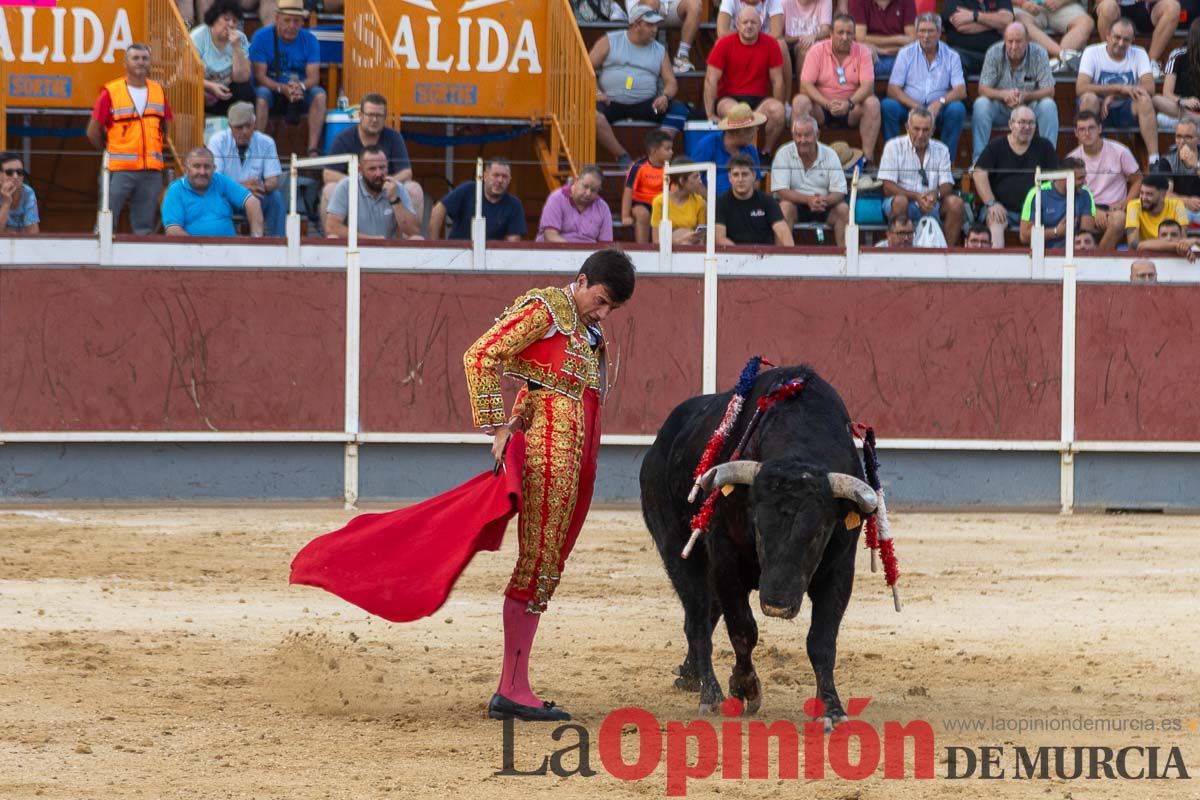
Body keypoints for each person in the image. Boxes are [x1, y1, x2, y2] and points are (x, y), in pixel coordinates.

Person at [289, 249, 636, 724]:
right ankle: (512, 689)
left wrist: (517, 416)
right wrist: (498, 428)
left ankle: (516, 685)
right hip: (546, 457)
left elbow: (539, 384)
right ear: (582, 281)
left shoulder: (584, 329)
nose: (603, 313)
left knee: (548, 561)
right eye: (601, 301)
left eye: (611, 308)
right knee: (538, 561)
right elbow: (481, 355)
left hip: (572, 456)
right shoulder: (546, 309)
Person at [87, 44, 173, 235]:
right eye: (135, 58)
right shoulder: (111, 91)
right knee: (106, 221)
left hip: (151, 169)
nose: (141, 62)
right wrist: (109, 148)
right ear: (125, 63)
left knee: (144, 226)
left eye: (144, 58)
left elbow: (165, 126)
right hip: (119, 169)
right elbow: (93, 131)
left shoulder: (158, 90)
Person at [592, 5, 689, 168]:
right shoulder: (610, 40)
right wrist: (596, 91)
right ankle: (622, 156)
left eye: (656, 25)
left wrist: (664, 96)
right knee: (590, 115)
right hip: (610, 102)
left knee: (680, 110)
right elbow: (586, 67)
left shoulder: (659, 50)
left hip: (647, 104)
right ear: (636, 25)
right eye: (650, 25)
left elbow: (671, 82)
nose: (655, 30)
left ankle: (657, 151)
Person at [323, 94, 424, 229]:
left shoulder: (394, 137)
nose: (374, 120)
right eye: (370, 115)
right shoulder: (343, 138)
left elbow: (407, 173)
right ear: (360, 115)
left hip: (386, 194)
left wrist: (386, 184)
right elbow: (328, 174)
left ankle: (410, 242)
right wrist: (360, 185)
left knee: (414, 189)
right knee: (329, 190)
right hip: (354, 195)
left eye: (379, 115)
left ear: (385, 117)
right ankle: (333, 241)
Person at [793, 14, 882, 161]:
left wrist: (849, 103)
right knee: (800, 101)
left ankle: (867, 159)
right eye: (840, 32)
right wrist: (826, 103)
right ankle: (802, 159)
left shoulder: (863, 52)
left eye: (849, 33)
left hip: (851, 108)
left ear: (854, 35)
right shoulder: (817, 50)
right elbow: (805, 85)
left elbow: (868, 87)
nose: (845, 37)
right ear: (831, 34)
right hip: (822, 108)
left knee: (872, 103)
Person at [882, 14, 968, 161]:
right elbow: (892, 89)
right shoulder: (905, 53)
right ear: (916, 33)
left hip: (938, 110)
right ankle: (894, 160)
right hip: (910, 107)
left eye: (930, 31)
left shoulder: (952, 55)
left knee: (957, 109)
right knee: (888, 106)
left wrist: (939, 102)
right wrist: (916, 106)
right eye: (922, 31)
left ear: (940, 33)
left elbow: (961, 90)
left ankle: (945, 162)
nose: (926, 36)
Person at [705, 6, 788, 154]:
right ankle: (739, 153)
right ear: (737, 24)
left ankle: (765, 153)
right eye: (745, 22)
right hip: (728, 98)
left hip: (759, 100)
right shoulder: (724, 44)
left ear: (760, 24)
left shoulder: (771, 44)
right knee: (736, 112)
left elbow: (778, 81)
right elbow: (711, 80)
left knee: (779, 110)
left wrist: (778, 102)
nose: (749, 26)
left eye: (753, 22)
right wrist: (710, 114)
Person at [1075, 18, 1159, 165]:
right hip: (1098, 106)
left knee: (1145, 100)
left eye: (1126, 40)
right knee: (1089, 98)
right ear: (1108, 35)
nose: (1121, 43)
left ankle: (1154, 160)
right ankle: (1084, 157)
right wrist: (1118, 88)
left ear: (1132, 40)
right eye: (1117, 37)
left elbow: (1150, 87)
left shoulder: (1139, 53)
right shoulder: (1092, 52)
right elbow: (1081, 88)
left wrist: (1114, 95)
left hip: (1125, 107)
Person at [973, 105, 1058, 247]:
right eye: (1022, 122)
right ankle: (998, 264)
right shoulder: (996, 145)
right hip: (1002, 209)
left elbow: (1054, 179)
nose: (1027, 127)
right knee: (995, 218)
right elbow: (979, 173)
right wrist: (991, 203)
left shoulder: (1045, 147)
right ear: (1011, 124)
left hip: (1036, 211)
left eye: (1031, 123)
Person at [972, 21, 1058, 162]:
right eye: (1010, 41)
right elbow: (982, 88)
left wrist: (1027, 96)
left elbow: (1049, 90)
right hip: (1001, 108)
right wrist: (1003, 95)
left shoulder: (1039, 53)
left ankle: (1049, 161)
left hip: (1029, 108)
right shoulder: (994, 52)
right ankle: (979, 162)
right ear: (1004, 41)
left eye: (1018, 41)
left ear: (1027, 40)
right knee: (981, 104)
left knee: (1048, 105)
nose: (1013, 46)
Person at [878, 107, 965, 245]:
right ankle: (899, 248)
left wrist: (935, 195)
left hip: (932, 203)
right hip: (904, 202)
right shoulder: (893, 146)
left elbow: (947, 184)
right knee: (900, 201)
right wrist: (917, 197)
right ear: (907, 127)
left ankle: (947, 254)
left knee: (956, 204)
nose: (920, 134)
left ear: (933, 129)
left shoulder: (942, 149)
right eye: (916, 129)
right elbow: (888, 187)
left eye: (926, 130)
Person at [249, 0, 326, 157]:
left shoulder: (310, 40)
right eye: (287, 20)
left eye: (296, 21)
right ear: (277, 18)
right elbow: (260, 76)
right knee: (261, 97)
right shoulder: (261, 37)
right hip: (272, 88)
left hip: (299, 89)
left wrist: (300, 87)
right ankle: (256, 149)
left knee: (320, 95)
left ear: (302, 22)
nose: (291, 25)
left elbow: (314, 76)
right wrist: (281, 88)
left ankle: (312, 150)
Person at [208, 102, 285, 237]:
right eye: (239, 127)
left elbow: (273, 181)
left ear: (254, 124)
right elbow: (215, 181)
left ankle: (279, 241)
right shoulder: (217, 141)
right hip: (228, 197)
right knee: (215, 197)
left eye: (248, 126)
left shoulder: (267, 142)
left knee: (275, 197)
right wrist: (242, 187)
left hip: (256, 193)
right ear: (230, 126)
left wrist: (260, 186)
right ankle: (221, 242)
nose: (244, 131)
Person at [770, 115, 850, 244]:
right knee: (784, 207)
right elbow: (782, 191)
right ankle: (782, 258)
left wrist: (823, 201)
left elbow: (839, 191)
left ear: (817, 135)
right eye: (798, 135)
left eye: (807, 135)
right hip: (795, 205)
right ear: (793, 135)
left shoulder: (830, 154)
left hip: (825, 204)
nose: (802, 140)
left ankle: (845, 258)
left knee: (843, 210)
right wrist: (808, 200)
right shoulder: (783, 153)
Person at [1068, 110, 1141, 249]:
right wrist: (1093, 210)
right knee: (1083, 218)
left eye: (1091, 128)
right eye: (1082, 130)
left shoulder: (1120, 151)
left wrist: (1125, 203)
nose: (1087, 133)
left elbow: (1138, 180)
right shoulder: (1072, 159)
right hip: (1086, 207)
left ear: (1100, 128)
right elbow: (1070, 192)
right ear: (1076, 133)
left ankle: (1098, 258)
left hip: (1115, 208)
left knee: (1119, 219)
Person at [162, 146, 264, 237]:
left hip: (230, 251)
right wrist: (199, 249)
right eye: (197, 166)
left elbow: (253, 203)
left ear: (214, 168)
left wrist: (256, 241)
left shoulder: (221, 181)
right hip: (193, 253)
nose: (202, 172)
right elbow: (173, 230)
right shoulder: (175, 190)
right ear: (186, 169)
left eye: (207, 167)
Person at [324, 145, 420, 240]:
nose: (378, 173)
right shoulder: (347, 185)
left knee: (416, 239)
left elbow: (413, 231)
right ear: (360, 170)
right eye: (372, 169)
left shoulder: (396, 187)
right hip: (355, 247)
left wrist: (395, 200)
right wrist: (371, 240)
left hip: (388, 249)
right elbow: (332, 228)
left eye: (382, 167)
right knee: (332, 237)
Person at [717, 0, 795, 104]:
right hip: (738, 42)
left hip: (765, 44)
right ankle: (719, 102)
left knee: (781, 45)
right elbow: (722, 31)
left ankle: (785, 104)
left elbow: (776, 32)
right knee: (719, 43)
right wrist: (746, 39)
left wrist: (754, 40)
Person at [430, 158, 527, 242]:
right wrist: (434, 247)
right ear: (485, 176)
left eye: (504, 176)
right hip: (456, 256)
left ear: (510, 179)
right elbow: (438, 210)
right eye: (496, 175)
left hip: (493, 260)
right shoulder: (467, 189)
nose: (500, 180)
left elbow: (512, 242)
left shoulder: (514, 205)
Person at [191, 0, 254, 117]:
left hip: (226, 91)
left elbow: (242, 77)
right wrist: (210, 87)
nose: (231, 24)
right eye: (226, 19)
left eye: (234, 21)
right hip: (201, 88)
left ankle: (239, 126)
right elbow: (185, 73)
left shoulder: (240, 38)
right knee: (189, 89)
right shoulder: (198, 36)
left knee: (245, 90)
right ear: (214, 19)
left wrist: (236, 47)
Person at [716, 153, 794, 245]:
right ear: (730, 178)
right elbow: (719, 239)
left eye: (745, 174)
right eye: (736, 175)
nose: (740, 179)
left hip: (765, 256)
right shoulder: (721, 203)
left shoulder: (768, 201)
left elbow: (783, 231)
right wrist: (742, 256)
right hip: (733, 256)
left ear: (753, 175)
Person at [1018, 157, 1096, 248]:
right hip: (1044, 255)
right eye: (1080, 178)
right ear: (1064, 178)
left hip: (1075, 253)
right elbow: (1024, 236)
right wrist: (1056, 232)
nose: (1085, 182)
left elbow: (1086, 235)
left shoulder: (1085, 193)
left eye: (1084, 177)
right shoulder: (1037, 193)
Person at [691, 103, 765, 196]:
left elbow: (756, 182)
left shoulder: (751, 150)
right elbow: (692, 179)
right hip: (709, 205)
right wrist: (714, 203)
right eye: (751, 129)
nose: (755, 132)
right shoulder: (707, 145)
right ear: (738, 131)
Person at [1095, 0, 1181, 75]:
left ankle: (1149, 64)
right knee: (1107, 6)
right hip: (1115, 8)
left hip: (1146, 9)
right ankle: (1108, 59)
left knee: (1173, 7)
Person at [537, 166, 614, 243]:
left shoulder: (603, 207)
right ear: (576, 181)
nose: (588, 193)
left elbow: (606, 243)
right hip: (557, 252)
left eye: (593, 190)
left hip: (590, 253)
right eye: (585, 186)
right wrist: (573, 252)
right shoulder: (556, 198)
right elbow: (550, 236)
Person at [1012, 0, 1093, 73]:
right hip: (1026, 7)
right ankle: (1063, 56)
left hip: (1064, 5)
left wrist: (1061, 1)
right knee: (1019, 25)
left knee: (1086, 22)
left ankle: (1057, 63)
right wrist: (1022, 3)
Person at [622, 130, 674, 243]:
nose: (671, 152)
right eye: (667, 149)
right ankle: (643, 248)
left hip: (662, 204)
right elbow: (628, 190)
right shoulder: (638, 167)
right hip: (641, 203)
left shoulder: (672, 168)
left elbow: (674, 191)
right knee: (642, 215)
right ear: (654, 151)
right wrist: (625, 216)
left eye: (671, 149)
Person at [624, 0, 704, 73]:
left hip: (673, 6)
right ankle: (644, 56)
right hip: (643, 6)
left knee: (695, 4)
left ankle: (682, 57)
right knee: (652, 2)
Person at [941, 0, 1014, 75]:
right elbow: (961, 26)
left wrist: (974, 16)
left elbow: (1007, 20)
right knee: (955, 58)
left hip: (997, 55)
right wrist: (996, 24)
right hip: (965, 54)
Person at [1152, 118, 1200, 227]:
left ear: (1198, 139)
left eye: (1188, 137)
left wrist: (1196, 166)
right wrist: (1186, 201)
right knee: (1179, 216)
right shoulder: (1168, 161)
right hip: (1181, 207)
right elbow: (1165, 193)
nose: (1182, 142)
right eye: (1178, 137)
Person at [1126, 172, 1190, 253]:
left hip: (1172, 255)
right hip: (1144, 255)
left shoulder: (1177, 205)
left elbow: (1183, 242)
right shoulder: (1133, 206)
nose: (1143, 198)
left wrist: (1145, 245)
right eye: (1141, 193)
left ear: (1163, 195)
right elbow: (1132, 244)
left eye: (1149, 194)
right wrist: (1173, 245)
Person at [850, 0, 916, 78]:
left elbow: (911, 40)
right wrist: (898, 39)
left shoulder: (907, 1)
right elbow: (861, 39)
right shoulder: (858, 1)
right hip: (871, 56)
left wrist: (884, 49)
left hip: (899, 55)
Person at [650, 156, 708, 244]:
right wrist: (681, 240)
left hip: (692, 247)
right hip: (667, 251)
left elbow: (702, 239)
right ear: (682, 181)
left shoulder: (699, 202)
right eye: (695, 177)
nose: (700, 181)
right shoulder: (659, 202)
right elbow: (656, 241)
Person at [783, 0, 833, 84]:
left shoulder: (825, 1)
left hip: (816, 44)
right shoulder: (784, 2)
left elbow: (826, 31)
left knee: (807, 48)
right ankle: (803, 91)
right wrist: (802, 38)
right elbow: (779, 37)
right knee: (805, 48)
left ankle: (805, 91)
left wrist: (814, 36)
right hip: (790, 46)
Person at [1158, 23, 1200, 121]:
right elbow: (1167, 93)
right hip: (1182, 110)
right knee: (1157, 100)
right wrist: (1183, 101)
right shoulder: (1178, 55)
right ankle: (1195, 119)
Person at [0, 153, 39, 234]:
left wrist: (9, 230)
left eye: (19, 172)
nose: (15, 176)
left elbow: (33, 233)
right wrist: (6, 203)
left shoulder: (28, 192)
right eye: (9, 172)